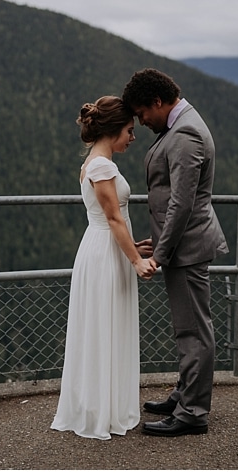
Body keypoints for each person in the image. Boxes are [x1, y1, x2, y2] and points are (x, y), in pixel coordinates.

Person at [121, 68, 227, 437]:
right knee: (188, 329)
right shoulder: (178, 127)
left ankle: (193, 413)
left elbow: (182, 203)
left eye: (142, 113)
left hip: (188, 247)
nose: (142, 121)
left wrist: (160, 253)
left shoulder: (186, 134)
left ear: (157, 102)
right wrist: (159, 240)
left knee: (194, 332)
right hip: (180, 244)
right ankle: (184, 394)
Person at [52, 96, 157, 440]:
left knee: (102, 326)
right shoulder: (102, 166)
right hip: (105, 255)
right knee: (104, 326)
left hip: (103, 249)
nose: (132, 136)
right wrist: (136, 259)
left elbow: (116, 220)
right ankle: (101, 411)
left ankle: (101, 406)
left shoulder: (95, 163)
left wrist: (131, 245)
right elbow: (112, 218)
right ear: (113, 130)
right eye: (129, 130)